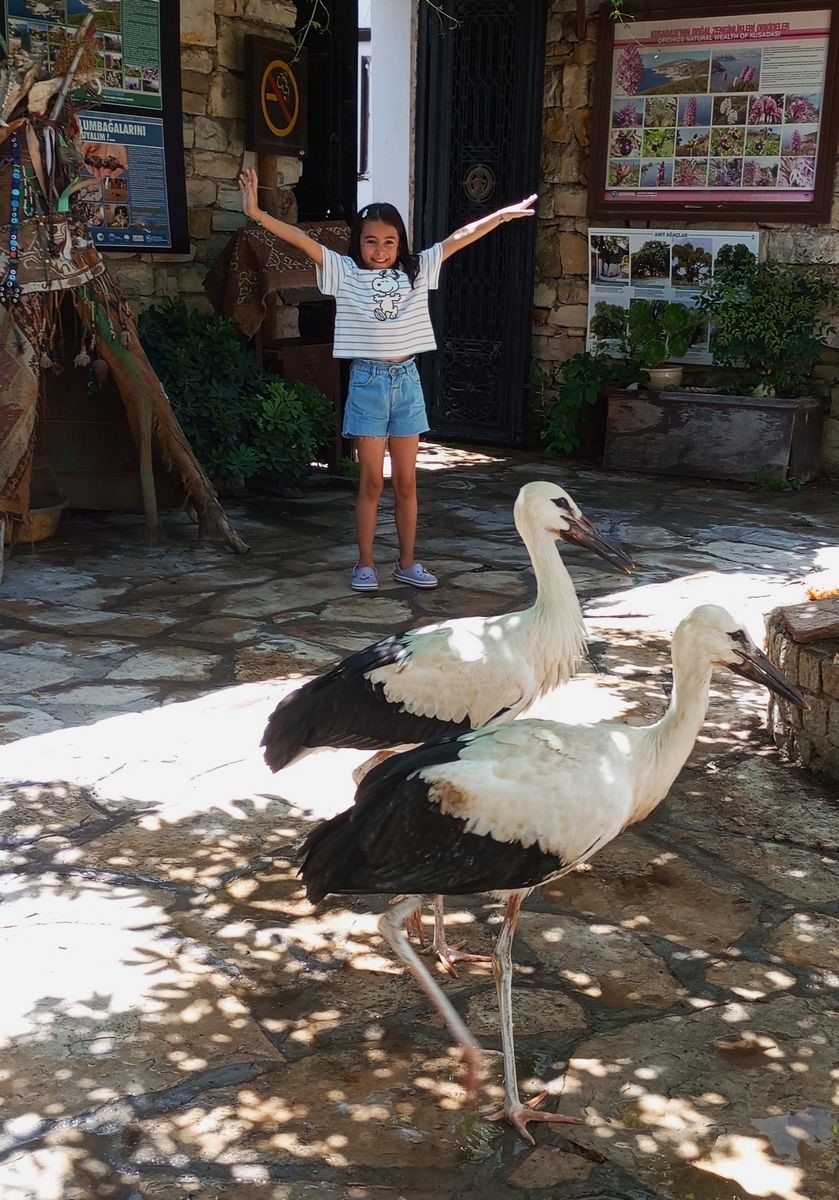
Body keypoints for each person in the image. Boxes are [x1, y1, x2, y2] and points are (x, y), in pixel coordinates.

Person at [238, 168, 537, 591]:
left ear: (401, 244)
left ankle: (408, 562)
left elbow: (460, 236)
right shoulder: (343, 272)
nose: (380, 250)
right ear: (358, 242)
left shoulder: (417, 270)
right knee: (372, 481)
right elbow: (302, 241)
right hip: (367, 382)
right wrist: (255, 213)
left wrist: (502, 216)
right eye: (371, 241)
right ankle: (365, 564)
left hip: (407, 381)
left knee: (408, 482)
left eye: (389, 241)